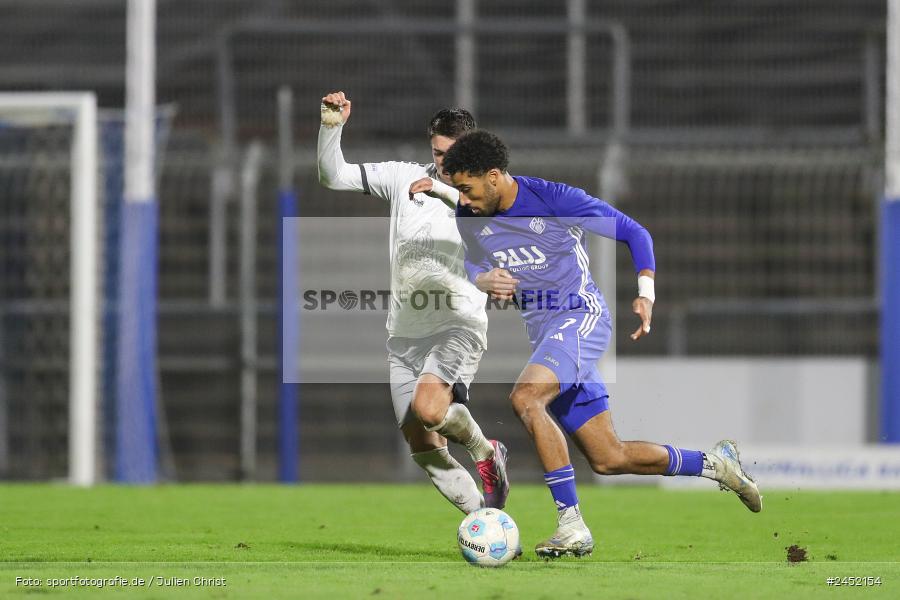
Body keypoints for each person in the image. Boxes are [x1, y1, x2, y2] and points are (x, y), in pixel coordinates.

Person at [433, 129, 761, 558]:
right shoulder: (469, 214)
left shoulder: (554, 200)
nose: (462, 198)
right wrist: (482, 278)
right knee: (609, 457)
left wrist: (646, 294)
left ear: (493, 176)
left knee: (527, 398)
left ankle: (572, 526)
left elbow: (634, 232)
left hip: (580, 317)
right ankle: (716, 465)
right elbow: (474, 257)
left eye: (467, 188)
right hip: (547, 334)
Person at [316, 92, 509, 512]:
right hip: (404, 334)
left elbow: (504, 229)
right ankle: (486, 518)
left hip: (458, 327)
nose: (443, 161)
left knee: (429, 407)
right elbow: (334, 176)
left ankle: (484, 450)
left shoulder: (485, 196)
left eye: (453, 153)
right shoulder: (403, 178)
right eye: (438, 152)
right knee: (423, 445)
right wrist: (332, 127)